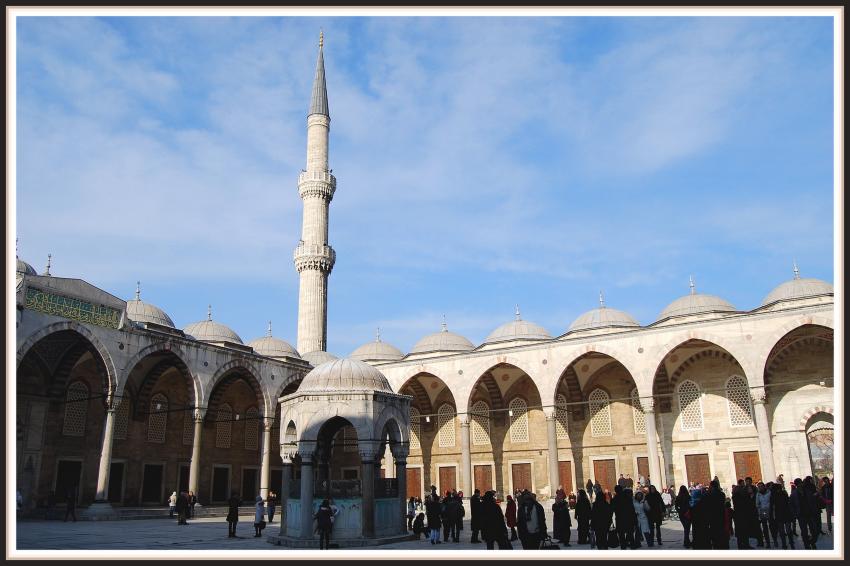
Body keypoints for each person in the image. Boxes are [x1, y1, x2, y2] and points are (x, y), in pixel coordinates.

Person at [770, 482, 794, 549]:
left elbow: (772, 507)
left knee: (782, 530)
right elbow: (788, 503)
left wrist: (773, 516)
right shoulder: (784, 494)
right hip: (786, 513)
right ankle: (791, 543)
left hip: (779, 514)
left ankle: (784, 544)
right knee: (788, 529)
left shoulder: (773, 496)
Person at [756, 482, 773, 548]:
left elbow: (771, 501)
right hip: (763, 511)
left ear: (764, 486)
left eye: (761, 486)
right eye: (759, 487)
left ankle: (774, 539)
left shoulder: (769, 492)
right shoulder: (758, 494)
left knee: (772, 526)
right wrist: (759, 511)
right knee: (765, 527)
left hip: (769, 511)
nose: (760, 488)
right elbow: (757, 504)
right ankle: (768, 542)